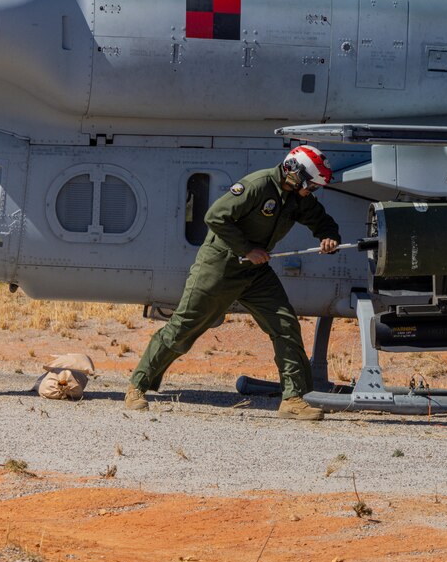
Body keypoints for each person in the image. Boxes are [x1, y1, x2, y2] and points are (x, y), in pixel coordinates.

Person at [124, 146, 342, 420]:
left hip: (255, 272)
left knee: (285, 325)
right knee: (183, 329)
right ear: (294, 173)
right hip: (220, 267)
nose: (312, 190)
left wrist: (328, 236)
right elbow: (215, 216)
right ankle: (137, 386)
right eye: (310, 183)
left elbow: (320, 219)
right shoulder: (256, 186)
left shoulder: (298, 197)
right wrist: (247, 249)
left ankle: (293, 399)